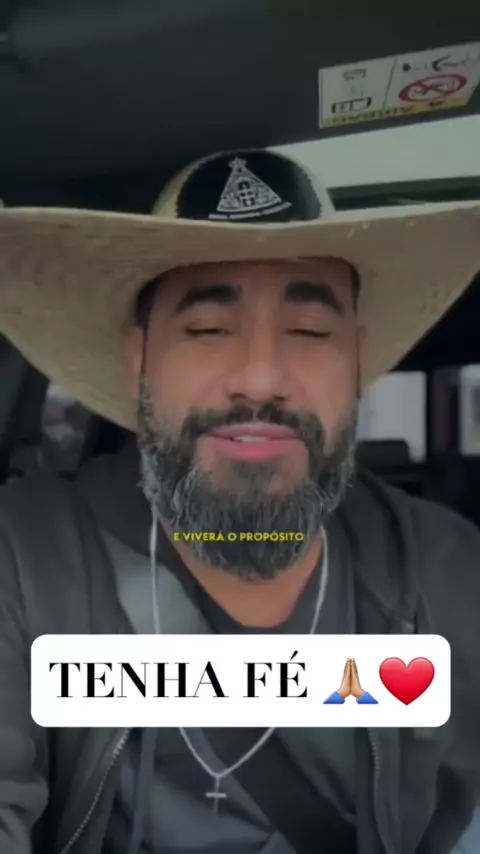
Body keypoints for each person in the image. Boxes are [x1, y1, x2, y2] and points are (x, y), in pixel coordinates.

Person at [0, 148, 479, 854]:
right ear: (138, 362)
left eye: (309, 332)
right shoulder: (25, 564)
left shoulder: (450, 577)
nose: (259, 378)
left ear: (356, 364)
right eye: (207, 330)